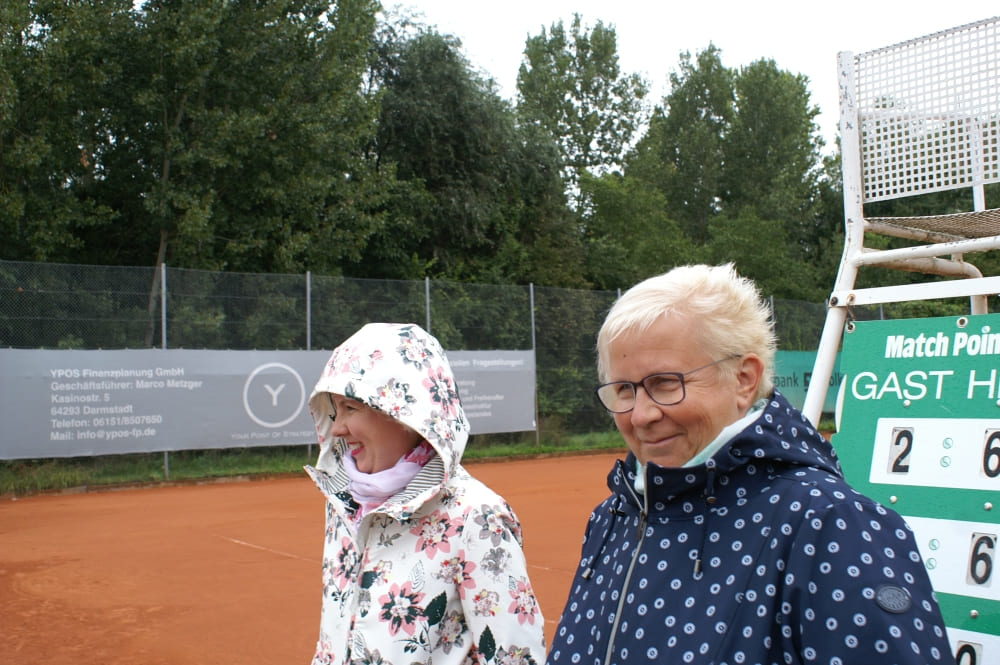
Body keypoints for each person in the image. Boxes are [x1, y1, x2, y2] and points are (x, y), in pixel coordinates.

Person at [546, 264, 954, 665]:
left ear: (743, 379)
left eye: (665, 383)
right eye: (624, 390)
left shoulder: (832, 524)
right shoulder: (612, 517)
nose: (641, 415)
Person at [304, 322, 545, 665]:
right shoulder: (344, 504)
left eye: (351, 408)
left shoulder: (475, 517)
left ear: (404, 413)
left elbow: (515, 659)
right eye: (335, 410)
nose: (339, 428)